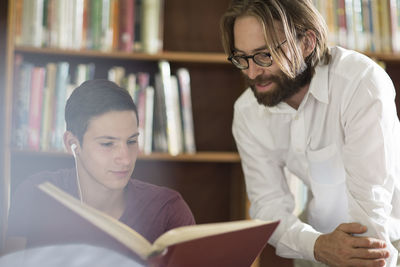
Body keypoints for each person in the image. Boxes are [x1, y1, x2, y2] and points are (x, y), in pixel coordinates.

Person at [220, 0, 400, 266]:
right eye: (241, 58)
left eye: (264, 55)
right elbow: (267, 205)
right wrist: (316, 246)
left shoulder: (360, 82)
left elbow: (371, 204)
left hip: (389, 234)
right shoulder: (248, 112)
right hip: (321, 240)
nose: (253, 71)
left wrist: (358, 255)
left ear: (307, 43)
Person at [5, 79, 195, 263]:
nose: (125, 158)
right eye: (107, 144)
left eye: (131, 141)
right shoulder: (35, 195)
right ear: (72, 144)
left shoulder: (168, 209)